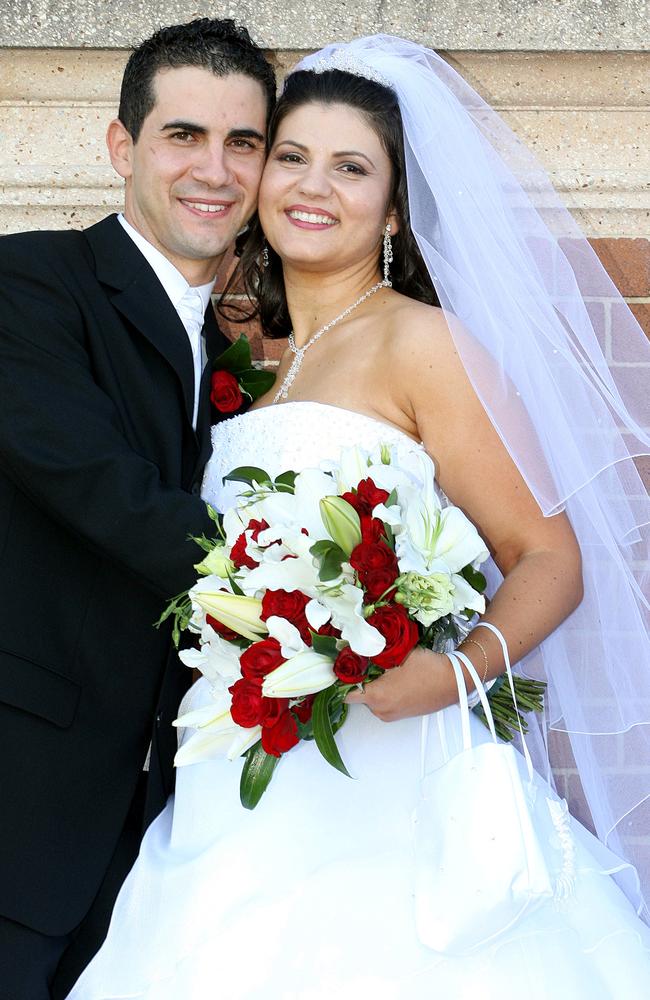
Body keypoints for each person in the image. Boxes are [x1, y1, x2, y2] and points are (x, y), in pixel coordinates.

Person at [67, 36, 650, 999]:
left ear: (391, 208)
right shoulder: (244, 352)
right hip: (230, 762)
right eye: (290, 157)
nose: (311, 186)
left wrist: (452, 673)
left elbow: (546, 553)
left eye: (351, 168)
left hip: (382, 767)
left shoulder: (423, 344)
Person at [0, 17, 275, 999]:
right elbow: (102, 488)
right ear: (123, 147)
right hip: (24, 812)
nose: (215, 168)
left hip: (163, 836)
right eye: (183, 135)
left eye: (242, 142)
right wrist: (318, 610)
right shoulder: (29, 285)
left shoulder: (244, 351)